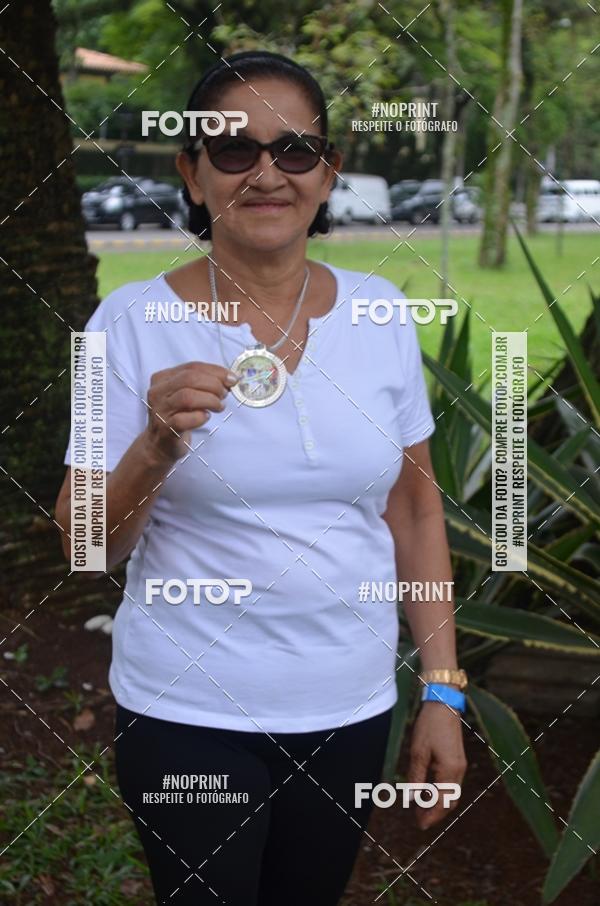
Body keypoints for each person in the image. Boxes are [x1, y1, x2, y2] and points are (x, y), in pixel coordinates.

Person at [55, 50, 467, 906]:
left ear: (329, 172)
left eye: (296, 150)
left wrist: (441, 688)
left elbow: (415, 509)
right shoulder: (122, 324)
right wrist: (153, 448)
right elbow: (83, 547)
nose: (268, 174)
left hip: (349, 706)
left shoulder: (381, 314)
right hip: (188, 712)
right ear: (193, 174)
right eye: (234, 149)